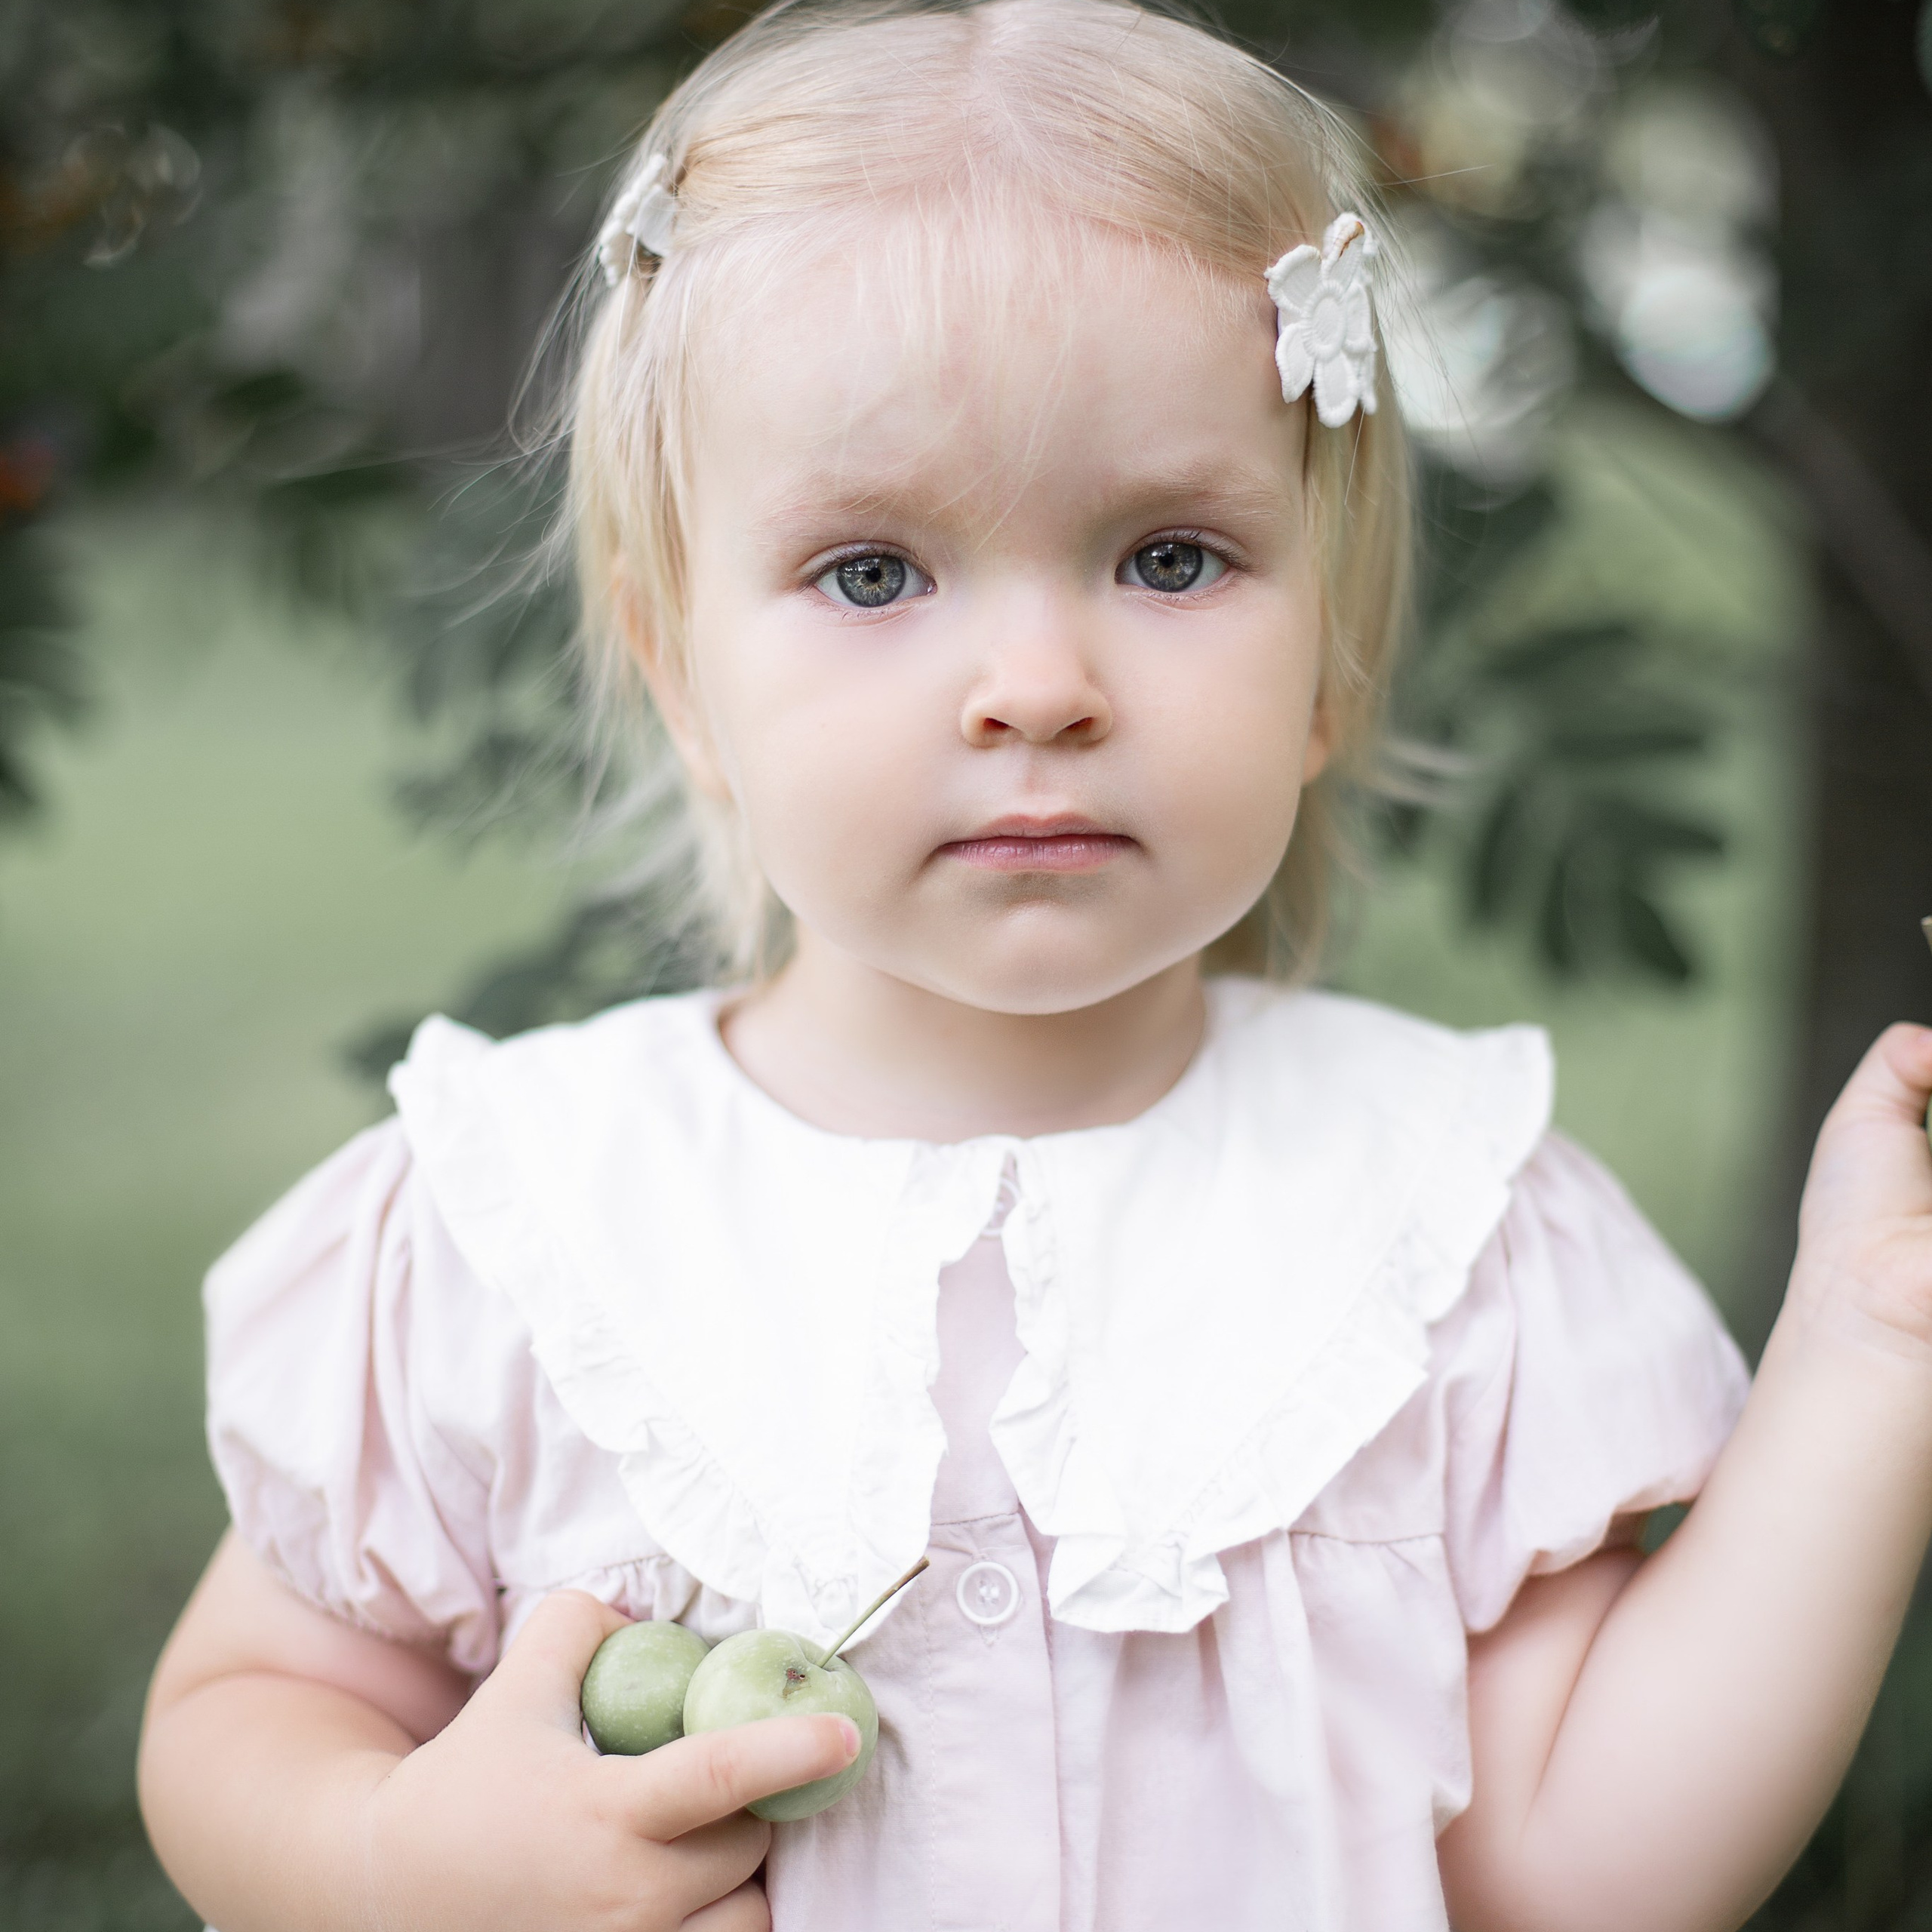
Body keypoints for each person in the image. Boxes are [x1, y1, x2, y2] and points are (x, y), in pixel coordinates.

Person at [134, 2, 1932, 1927]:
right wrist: (390, 1857)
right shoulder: (514, 1222)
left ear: (1328, 655)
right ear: (683, 675)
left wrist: (1872, 1351)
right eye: (874, 572)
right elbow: (251, 1705)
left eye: (1166, 557)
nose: (1036, 691)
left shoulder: (1448, 1231)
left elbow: (1579, 1874)